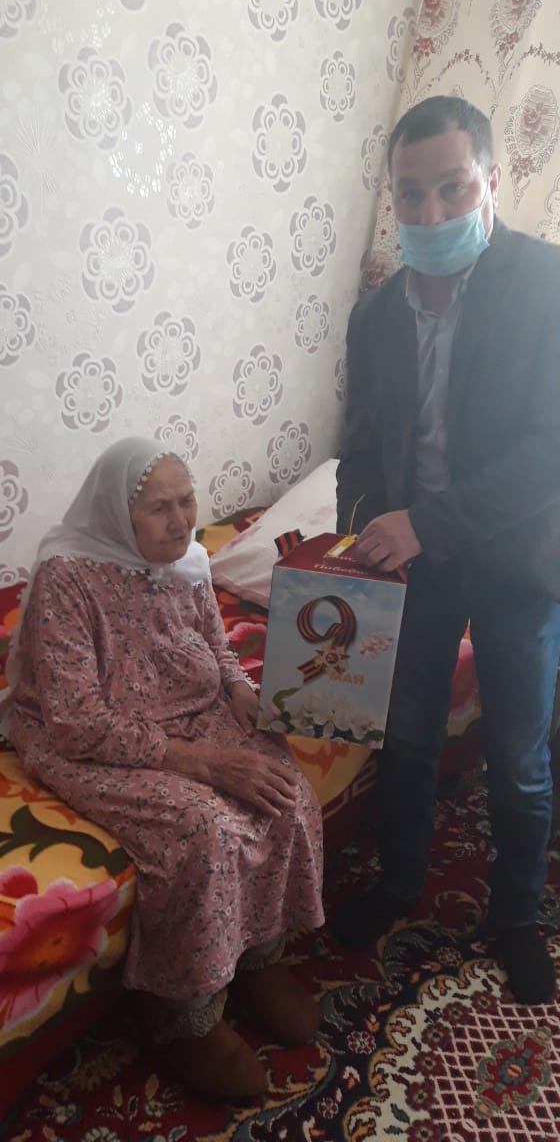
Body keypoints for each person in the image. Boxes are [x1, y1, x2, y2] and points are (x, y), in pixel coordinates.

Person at [3, 437, 324, 1101]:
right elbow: (75, 721)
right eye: (159, 508)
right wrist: (207, 765)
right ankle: (186, 1017)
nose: (181, 522)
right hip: (96, 738)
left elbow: (215, 643)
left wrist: (238, 690)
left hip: (191, 708)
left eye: (187, 501)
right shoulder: (67, 578)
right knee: (204, 832)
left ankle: (258, 956)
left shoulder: (190, 560)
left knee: (286, 793)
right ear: (118, 514)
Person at [335, 95, 560, 1004]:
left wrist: (427, 523)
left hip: (516, 561)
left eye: (452, 188)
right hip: (414, 570)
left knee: (518, 756)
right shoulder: (374, 316)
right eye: (410, 194)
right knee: (409, 738)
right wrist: (358, 534)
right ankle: (396, 886)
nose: (429, 213)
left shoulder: (546, 287)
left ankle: (517, 917)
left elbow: (547, 450)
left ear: (492, 181)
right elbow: (360, 443)